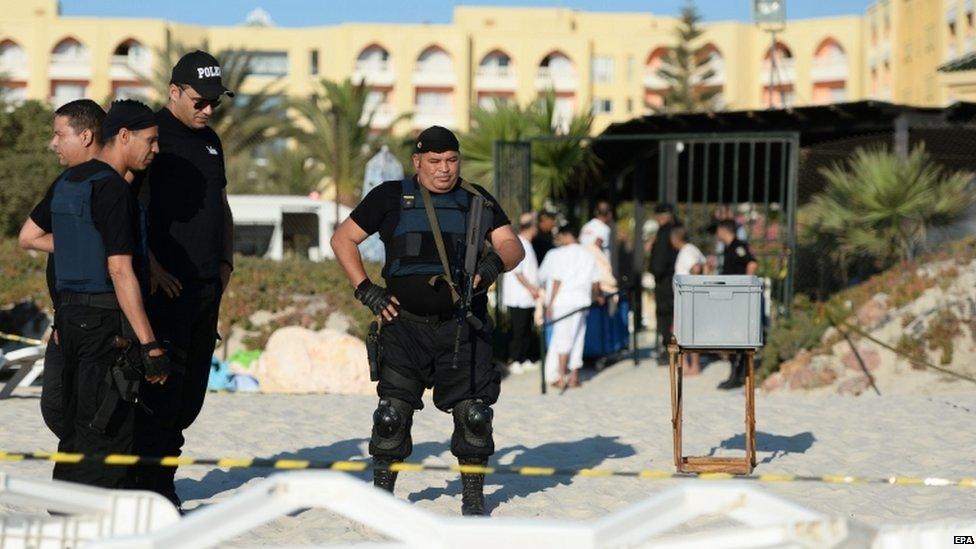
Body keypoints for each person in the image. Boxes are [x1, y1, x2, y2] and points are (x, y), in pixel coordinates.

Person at [330, 126, 523, 516]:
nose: (444, 169)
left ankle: (473, 501)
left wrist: (492, 263)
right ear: (417, 162)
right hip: (404, 326)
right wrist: (366, 289)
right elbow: (342, 239)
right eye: (434, 161)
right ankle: (382, 499)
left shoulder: (476, 200)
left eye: (451, 160)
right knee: (390, 417)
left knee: (475, 416)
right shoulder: (389, 197)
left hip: (463, 326)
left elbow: (511, 245)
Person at [24, 100, 170, 488]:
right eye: (151, 141)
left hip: (68, 321)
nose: (155, 150)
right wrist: (150, 344)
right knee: (105, 425)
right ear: (122, 136)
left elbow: (33, 238)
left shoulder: (68, 182)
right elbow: (120, 270)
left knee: (74, 422)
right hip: (103, 323)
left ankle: (68, 508)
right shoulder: (111, 190)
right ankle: (90, 519)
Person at [133, 50, 235, 506]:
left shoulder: (212, 140)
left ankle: (159, 481)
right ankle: (153, 489)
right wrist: (151, 265)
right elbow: (127, 209)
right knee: (161, 396)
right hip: (164, 290)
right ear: (173, 92)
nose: (208, 109)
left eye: (214, 101)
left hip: (206, 288)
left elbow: (221, 205)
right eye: (199, 101)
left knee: (190, 399)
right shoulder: (150, 137)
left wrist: (227, 263)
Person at [18, 99, 106, 441]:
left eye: (59, 134)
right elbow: (29, 237)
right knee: (56, 405)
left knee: (93, 408)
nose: (53, 143)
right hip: (67, 313)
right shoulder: (65, 183)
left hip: (103, 316)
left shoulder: (113, 182)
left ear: (85, 136)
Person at [539, 224, 602, 389]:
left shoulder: (560, 254)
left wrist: (550, 302)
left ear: (567, 235)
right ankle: (573, 377)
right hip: (581, 300)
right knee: (578, 338)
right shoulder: (588, 254)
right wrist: (597, 296)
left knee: (562, 339)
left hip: (563, 300)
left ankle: (561, 377)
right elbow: (596, 282)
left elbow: (557, 280)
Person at [715, 219, 758, 390]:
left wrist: (745, 287)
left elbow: (752, 263)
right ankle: (735, 373)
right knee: (731, 336)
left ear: (723, 230)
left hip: (738, 297)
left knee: (738, 336)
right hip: (730, 297)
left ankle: (738, 375)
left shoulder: (738, 245)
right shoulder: (728, 247)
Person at [502, 212, 541, 375]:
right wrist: (531, 288)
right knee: (518, 330)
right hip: (519, 297)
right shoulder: (520, 243)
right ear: (532, 228)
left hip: (527, 298)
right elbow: (518, 272)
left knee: (526, 329)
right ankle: (514, 359)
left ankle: (523, 358)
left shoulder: (527, 243)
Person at [670, 224, 705, 375]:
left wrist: (694, 285)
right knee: (690, 333)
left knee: (685, 333)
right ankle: (688, 365)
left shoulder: (686, 251)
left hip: (687, 298)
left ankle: (690, 366)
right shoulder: (693, 248)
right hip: (689, 297)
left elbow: (696, 268)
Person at [647, 203, 678, 364]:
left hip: (665, 280)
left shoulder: (666, 231)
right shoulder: (675, 229)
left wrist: (656, 272)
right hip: (669, 279)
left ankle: (669, 348)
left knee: (666, 315)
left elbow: (660, 259)